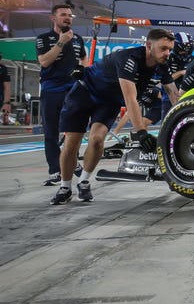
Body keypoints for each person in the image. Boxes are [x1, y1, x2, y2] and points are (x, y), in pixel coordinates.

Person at [51, 29, 175, 205]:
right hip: (84, 92)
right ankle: (65, 186)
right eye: (163, 48)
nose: (167, 53)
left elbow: (174, 95)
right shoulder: (129, 58)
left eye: (170, 49)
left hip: (108, 102)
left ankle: (84, 181)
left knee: (97, 139)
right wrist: (141, 132)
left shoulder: (162, 66)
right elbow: (130, 98)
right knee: (72, 142)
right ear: (149, 45)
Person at [35, 4, 88, 185]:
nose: (68, 18)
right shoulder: (43, 39)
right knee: (51, 132)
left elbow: (83, 58)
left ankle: (72, 162)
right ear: (53, 18)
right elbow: (44, 62)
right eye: (63, 15)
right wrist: (61, 41)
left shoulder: (78, 39)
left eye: (70, 15)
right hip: (51, 90)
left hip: (72, 90)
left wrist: (83, 72)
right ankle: (55, 172)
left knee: (75, 130)